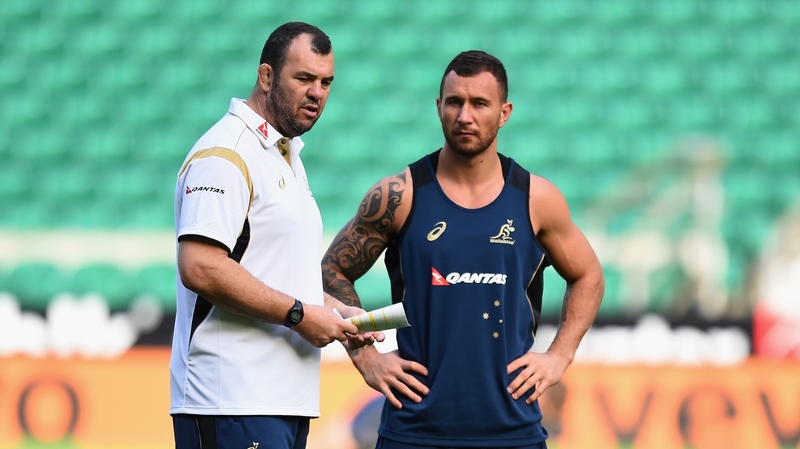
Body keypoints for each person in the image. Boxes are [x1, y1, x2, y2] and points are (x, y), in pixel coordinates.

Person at [321, 50, 604, 448]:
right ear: (439, 107)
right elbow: (331, 273)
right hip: (413, 432)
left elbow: (588, 275)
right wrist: (366, 357)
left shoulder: (536, 198)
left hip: (513, 432)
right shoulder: (398, 196)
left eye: (479, 104)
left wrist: (559, 356)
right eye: (454, 102)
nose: (464, 116)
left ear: (504, 112)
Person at [170, 22, 378, 449]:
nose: (317, 93)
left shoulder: (285, 156)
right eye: (303, 78)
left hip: (283, 400)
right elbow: (200, 266)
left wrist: (335, 311)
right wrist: (301, 314)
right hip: (230, 399)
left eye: (326, 82)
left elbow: (274, 272)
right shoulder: (226, 155)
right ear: (266, 77)